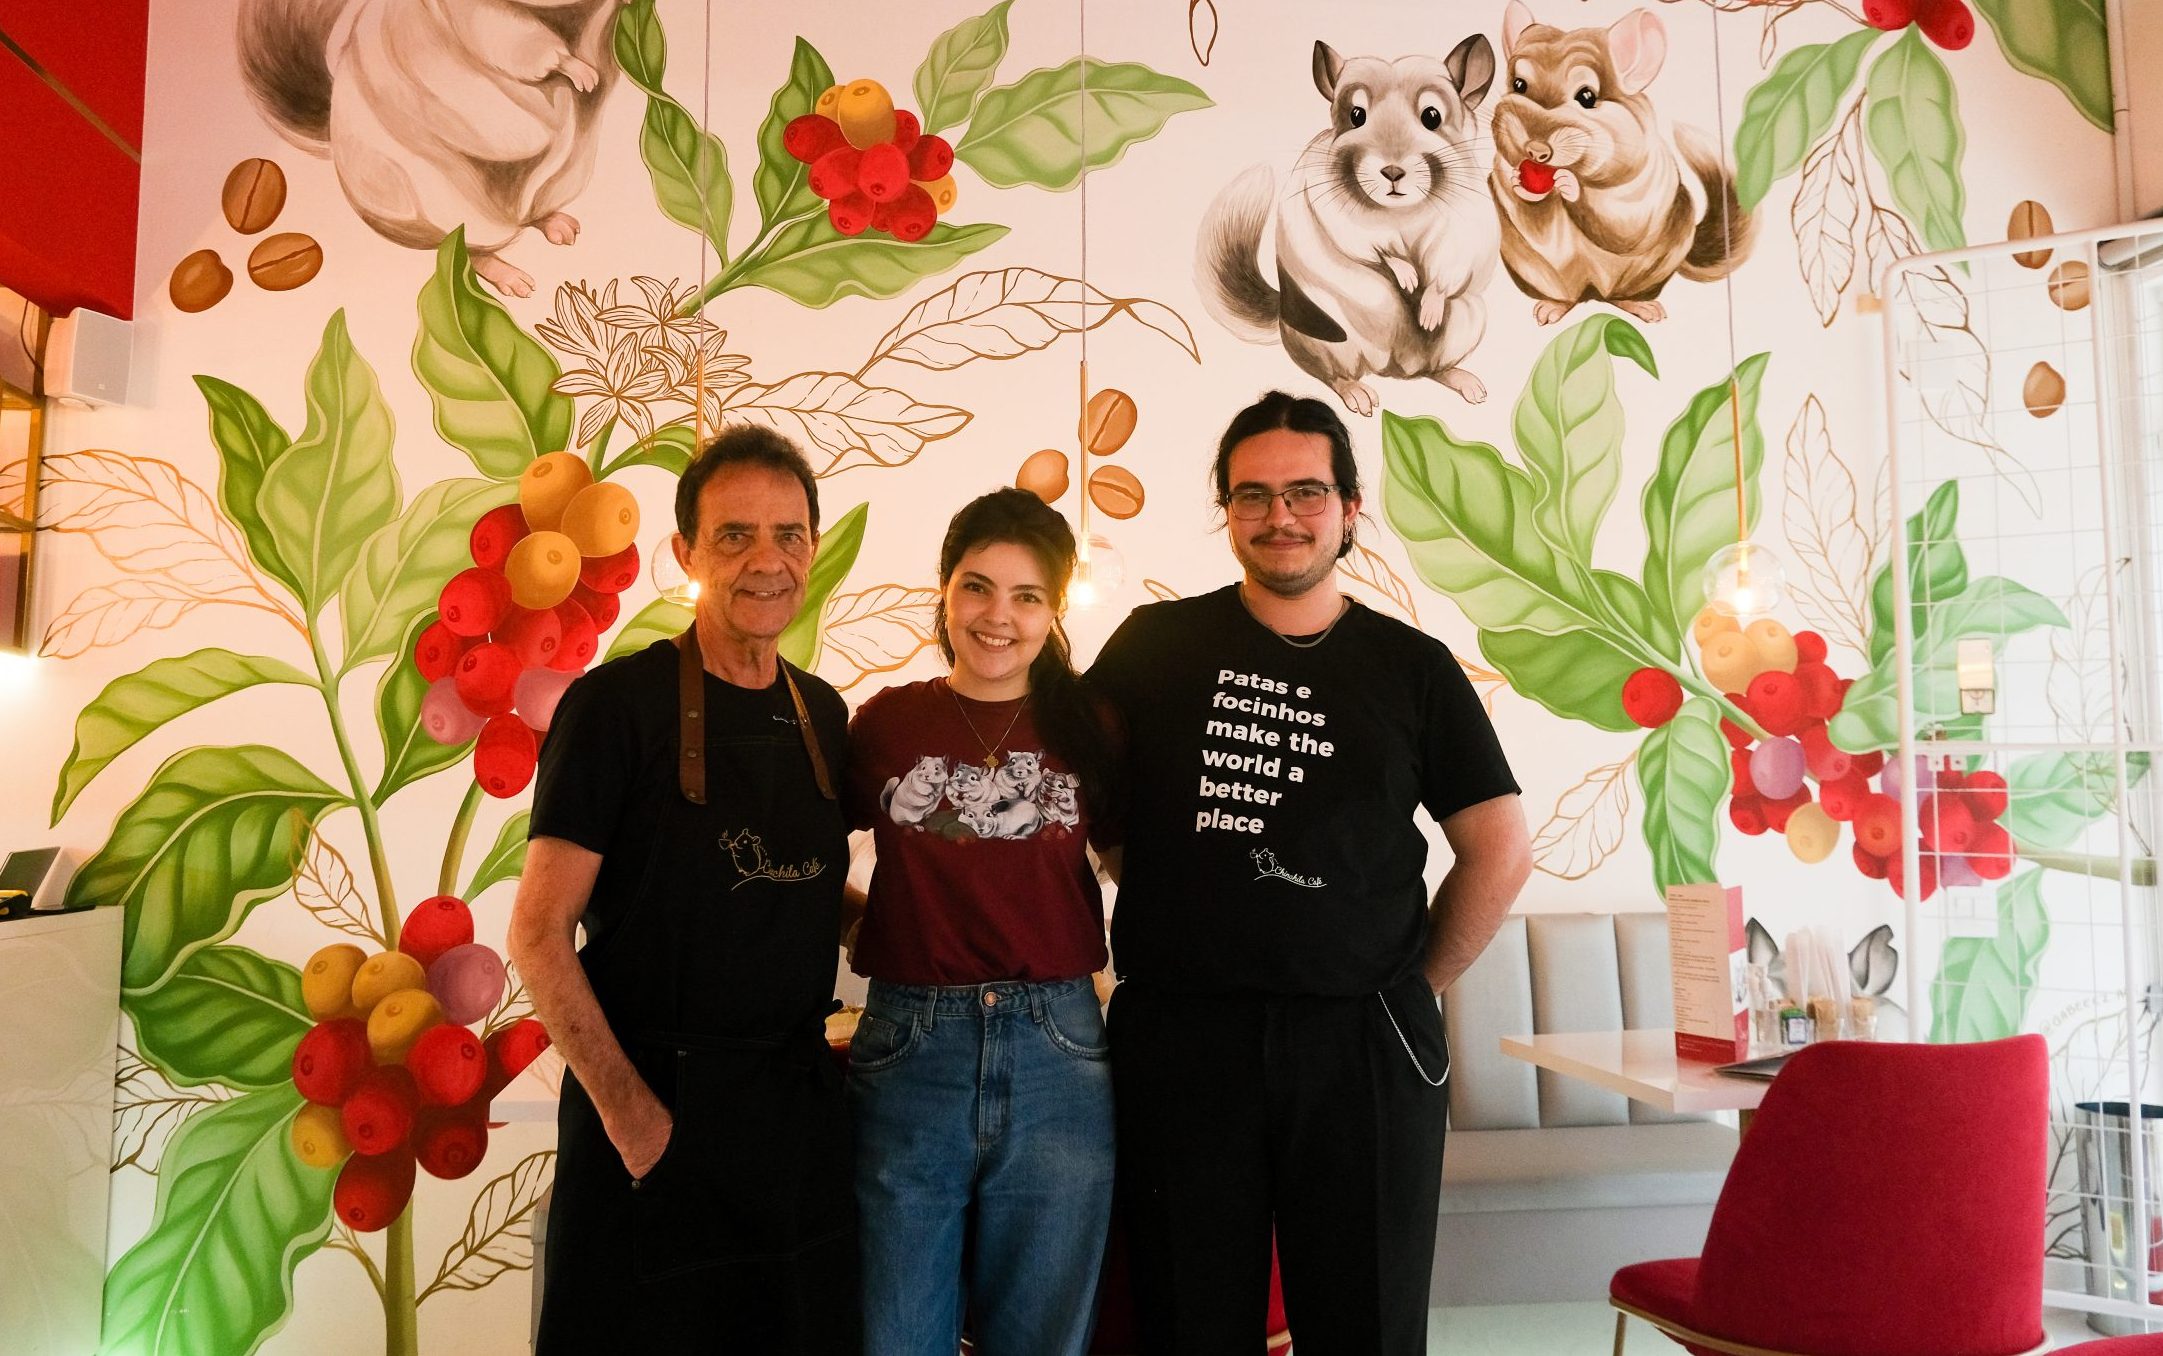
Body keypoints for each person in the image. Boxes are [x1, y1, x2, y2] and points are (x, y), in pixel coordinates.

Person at [1087, 390, 1532, 1356]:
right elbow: (1089, 808)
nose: (1278, 515)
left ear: (1348, 507)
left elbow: (1499, 845)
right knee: (1186, 1322)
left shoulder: (1412, 666)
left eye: (1304, 492)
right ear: (1225, 510)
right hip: (1184, 1039)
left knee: (1364, 1325)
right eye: (1251, 494)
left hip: (1361, 1042)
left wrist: (1411, 987)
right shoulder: (1151, 647)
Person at [510, 427, 860, 1354]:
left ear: (813, 549)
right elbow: (538, 933)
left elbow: (795, 884)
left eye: (788, 535)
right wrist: (636, 1126)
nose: (766, 561)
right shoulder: (612, 709)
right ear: (686, 554)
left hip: (793, 1121)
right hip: (656, 1112)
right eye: (734, 536)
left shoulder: (824, 714)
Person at [842, 488, 1120, 1356]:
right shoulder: (886, 722)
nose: (997, 617)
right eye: (977, 587)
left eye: (1027, 596)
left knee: (1042, 1339)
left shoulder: (1091, 724)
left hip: (1059, 1056)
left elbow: (1136, 869)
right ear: (944, 589)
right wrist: (868, 925)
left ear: (1055, 609)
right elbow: (803, 863)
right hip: (908, 1050)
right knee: (896, 1335)